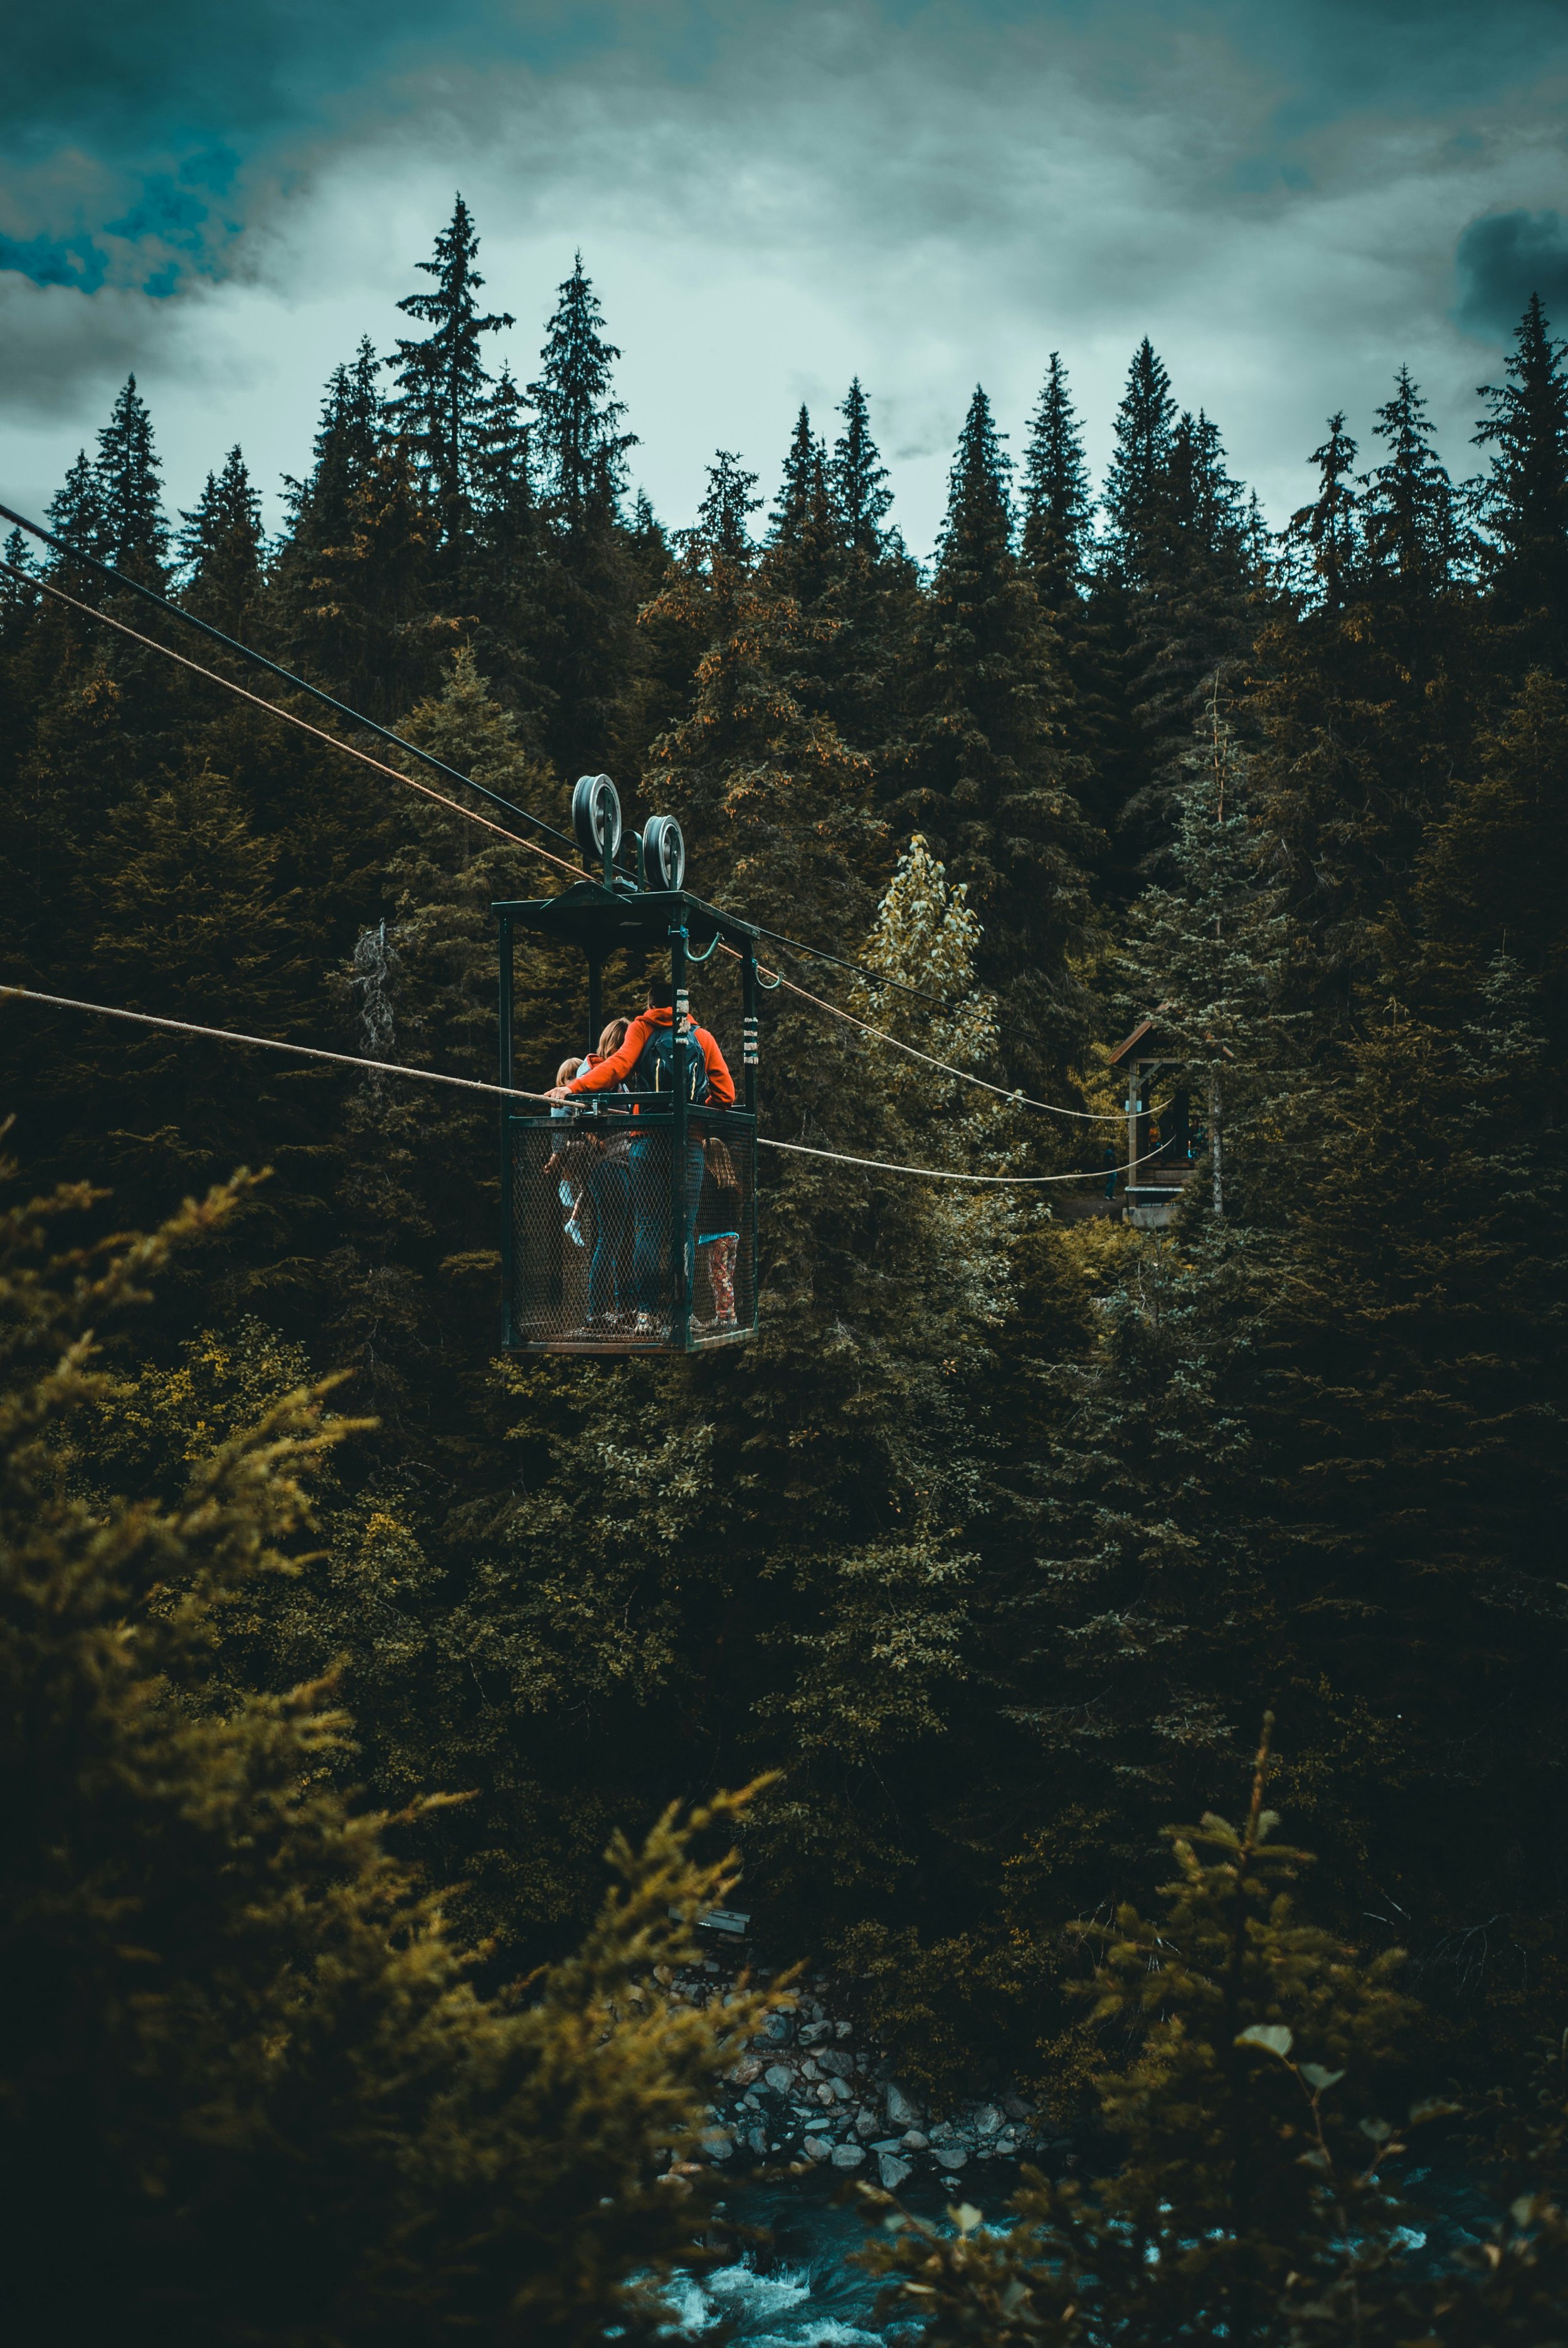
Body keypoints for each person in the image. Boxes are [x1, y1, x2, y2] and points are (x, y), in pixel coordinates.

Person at [549, 981, 734, 1337]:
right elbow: (726, 1093)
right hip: (689, 1143)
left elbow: (617, 1067)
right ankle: (683, 1313)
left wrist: (574, 1087)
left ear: (650, 1004)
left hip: (646, 1143)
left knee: (647, 1228)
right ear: (682, 1003)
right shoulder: (702, 1037)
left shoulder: (642, 1029)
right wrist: (696, 1115)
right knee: (684, 1228)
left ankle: (646, 1314)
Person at [696, 1134, 742, 1333]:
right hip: (732, 1236)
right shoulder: (729, 1182)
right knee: (726, 1277)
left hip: (717, 1237)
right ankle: (724, 1315)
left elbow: (702, 1209)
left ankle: (726, 1317)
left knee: (719, 1277)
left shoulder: (707, 1179)